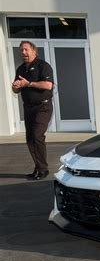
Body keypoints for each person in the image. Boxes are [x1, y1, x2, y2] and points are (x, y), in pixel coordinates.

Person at [11, 41, 54, 180]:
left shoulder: (43, 66)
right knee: (30, 139)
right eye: (21, 50)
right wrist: (16, 86)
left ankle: (43, 169)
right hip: (28, 108)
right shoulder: (21, 69)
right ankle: (38, 168)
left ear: (34, 51)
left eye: (26, 50)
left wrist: (28, 83)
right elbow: (15, 90)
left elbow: (48, 85)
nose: (23, 53)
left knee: (37, 135)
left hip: (43, 107)